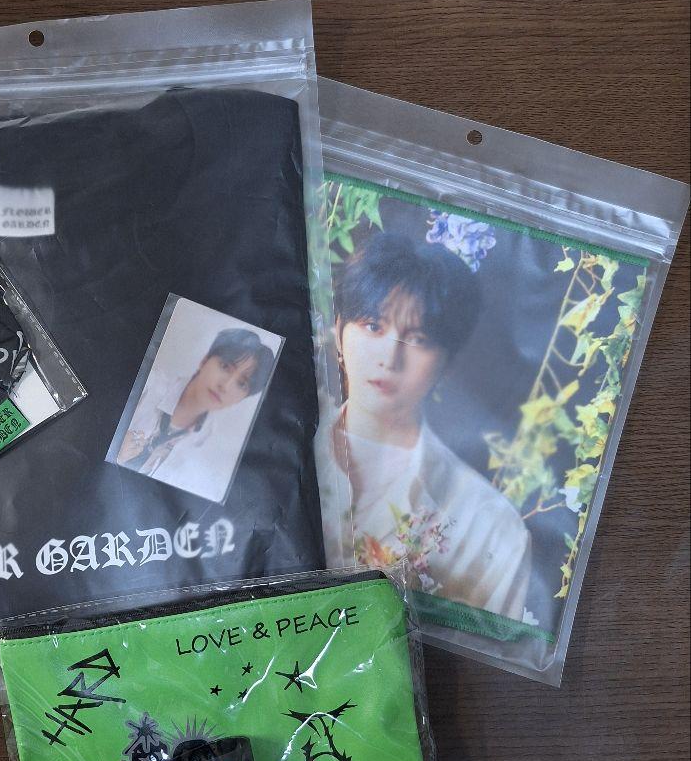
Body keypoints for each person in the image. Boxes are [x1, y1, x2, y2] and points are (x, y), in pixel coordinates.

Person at [320, 233, 532, 620]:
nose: (390, 357)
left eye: (417, 339)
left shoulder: (490, 526)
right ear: (339, 331)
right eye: (373, 326)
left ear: (447, 363)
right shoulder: (282, 455)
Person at [116, 326, 276, 495]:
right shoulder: (147, 384)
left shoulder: (209, 446)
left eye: (241, 383)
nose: (225, 386)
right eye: (225, 366)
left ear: (242, 398)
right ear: (204, 361)